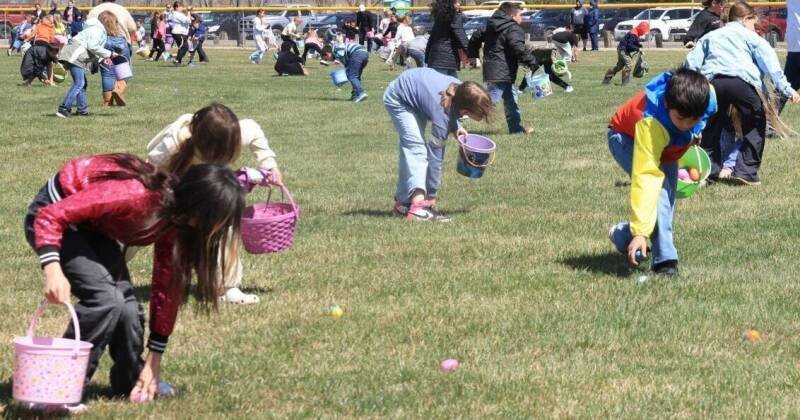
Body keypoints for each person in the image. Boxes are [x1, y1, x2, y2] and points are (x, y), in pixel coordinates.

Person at [24, 154, 244, 412]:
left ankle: (132, 381)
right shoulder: (138, 196)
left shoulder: (177, 219)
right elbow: (51, 216)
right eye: (217, 221)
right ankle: (54, 389)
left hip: (91, 227)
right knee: (106, 300)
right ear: (198, 206)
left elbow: (167, 285)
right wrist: (52, 269)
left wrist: (154, 362)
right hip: (55, 215)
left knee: (127, 308)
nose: (218, 230)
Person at [146, 104, 283, 305]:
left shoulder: (235, 133)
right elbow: (153, 173)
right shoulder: (173, 145)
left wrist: (269, 164)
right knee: (146, 225)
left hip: (206, 188)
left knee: (225, 225)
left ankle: (228, 286)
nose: (226, 158)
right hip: (175, 189)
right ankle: (108, 268)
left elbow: (253, 130)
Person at [607, 69, 717, 277]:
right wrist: (641, 232)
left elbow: (695, 119)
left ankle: (623, 236)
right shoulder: (651, 124)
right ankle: (665, 263)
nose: (686, 125)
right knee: (659, 194)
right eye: (681, 118)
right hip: (625, 138)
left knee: (667, 202)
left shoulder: (707, 98)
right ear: (667, 104)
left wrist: (695, 130)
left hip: (666, 145)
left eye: (693, 119)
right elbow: (646, 177)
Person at [685, 1, 800, 185]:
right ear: (746, 19)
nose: (755, 29)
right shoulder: (751, 37)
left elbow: (691, 63)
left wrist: (685, 87)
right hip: (742, 84)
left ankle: (707, 173)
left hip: (713, 84)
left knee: (711, 129)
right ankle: (746, 172)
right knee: (756, 123)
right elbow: (771, 66)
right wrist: (787, 88)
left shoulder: (712, 35)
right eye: (754, 24)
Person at [384, 68, 494, 222]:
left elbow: (453, 110)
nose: (482, 117)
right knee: (416, 150)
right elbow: (435, 157)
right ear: (465, 109)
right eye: (479, 114)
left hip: (415, 95)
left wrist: (456, 127)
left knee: (410, 150)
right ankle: (418, 208)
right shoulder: (441, 110)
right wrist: (432, 195)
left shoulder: (462, 90)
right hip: (399, 98)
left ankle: (403, 204)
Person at [468, 1, 539, 135]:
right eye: (520, 15)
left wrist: (473, 55)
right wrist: (531, 61)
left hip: (498, 70)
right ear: (512, 16)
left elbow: (475, 37)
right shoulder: (513, 28)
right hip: (501, 71)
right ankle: (461, 112)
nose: (521, 18)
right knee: (488, 101)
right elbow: (517, 47)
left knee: (512, 100)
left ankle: (516, 129)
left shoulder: (490, 25)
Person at [55, 12, 120, 118]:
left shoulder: (96, 30)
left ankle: (82, 110)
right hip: (75, 56)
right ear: (109, 23)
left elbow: (93, 49)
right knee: (79, 83)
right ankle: (64, 108)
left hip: (75, 55)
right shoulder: (98, 31)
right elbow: (92, 47)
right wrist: (110, 54)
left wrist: (100, 61)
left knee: (82, 84)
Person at [425, 0, 469, 77]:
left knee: (452, 86)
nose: (459, 4)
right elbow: (461, 35)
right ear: (450, 3)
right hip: (446, 59)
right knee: (446, 87)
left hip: (437, 58)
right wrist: (472, 52)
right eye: (456, 2)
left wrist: (427, 57)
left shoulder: (439, 17)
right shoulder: (454, 17)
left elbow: (431, 39)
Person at [603, 21, 648, 86]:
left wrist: (639, 45)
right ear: (641, 28)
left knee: (619, 67)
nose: (644, 32)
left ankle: (606, 80)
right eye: (644, 30)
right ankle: (625, 82)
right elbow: (629, 45)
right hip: (623, 50)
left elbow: (633, 43)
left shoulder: (635, 32)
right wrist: (638, 48)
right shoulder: (634, 33)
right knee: (629, 64)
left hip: (623, 49)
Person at [99, 14, 130, 107]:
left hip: (106, 49)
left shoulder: (101, 36)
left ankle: (107, 102)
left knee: (107, 75)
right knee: (125, 73)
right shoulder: (121, 34)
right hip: (121, 50)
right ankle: (118, 90)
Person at [20, 14, 56, 85]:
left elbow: (33, 34)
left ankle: (29, 82)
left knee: (37, 66)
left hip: (35, 47)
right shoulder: (52, 27)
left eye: (43, 18)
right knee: (49, 64)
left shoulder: (39, 25)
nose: (42, 19)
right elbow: (52, 39)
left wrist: (26, 40)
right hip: (45, 48)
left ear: (46, 19)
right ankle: (50, 81)